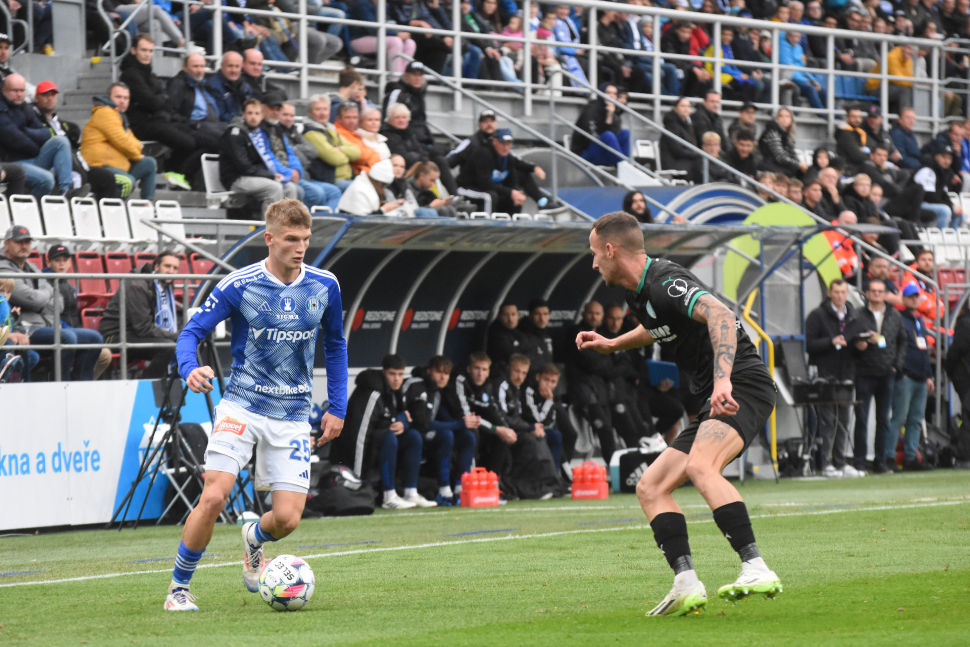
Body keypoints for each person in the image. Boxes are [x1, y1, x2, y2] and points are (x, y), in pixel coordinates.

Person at [577, 212, 780, 616]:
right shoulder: (642, 291)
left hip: (740, 383)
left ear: (611, 249)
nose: (593, 262)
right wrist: (613, 343)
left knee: (703, 466)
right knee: (651, 487)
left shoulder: (665, 281)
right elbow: (660, 328)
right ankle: (686, 583)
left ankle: (756, 566)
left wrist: (723, 380)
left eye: (595, 253)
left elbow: (720, 315)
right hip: (715, 395)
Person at [163, 199, 347, 611]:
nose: (300, 248)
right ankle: (178, 588)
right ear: (269, 239)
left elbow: (335, 344)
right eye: (290, 239)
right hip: (242, 407)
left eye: (305, 239)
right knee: (214, 496)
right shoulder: (238, 285)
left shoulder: (325, 285)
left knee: (287, 519)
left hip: (295, 413)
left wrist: (338, 406)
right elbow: (190, 333)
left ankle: (254, 538)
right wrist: (191, 367)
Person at [332, 354, 435, 509]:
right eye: (392, 374)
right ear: (384, 372)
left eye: (400, 374)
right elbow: (359, 436)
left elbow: (398, 419)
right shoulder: (372, 393)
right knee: (389, 437)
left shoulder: (395, 392)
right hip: (348, 452)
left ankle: (410, 492)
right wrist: (358, 480)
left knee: (413, 437)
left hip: (375, 445)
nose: (396, 379)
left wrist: (403, 424)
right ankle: (389, 496)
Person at [0, 227, 102, 381]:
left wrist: (41, 299)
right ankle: (59, 385)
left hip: (45, 325)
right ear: (6, 244)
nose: (24, 246)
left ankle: (80, 386)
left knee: (94, 338)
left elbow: (57, 301)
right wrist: (45, 296)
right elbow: (30, 298)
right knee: (66, 337)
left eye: (27, 242)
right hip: (25, 328)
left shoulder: (32, 267)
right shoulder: (3, 268)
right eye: (19, 242)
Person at [805, 279, 867, 478]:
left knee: (843, 419)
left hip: (847, 373)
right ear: (830, 293)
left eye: (843, 292)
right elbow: (810, 344)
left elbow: (857, 347)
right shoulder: (817, 315)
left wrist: (861, 347)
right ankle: (825, 463)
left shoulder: (854, 316)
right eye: (836, 292)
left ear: (847, 293)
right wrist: (830, 342)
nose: (840, 296)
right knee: (828, 420)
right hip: (826, 374)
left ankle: (841, 462)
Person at [402, 355, 477, 506]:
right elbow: (424, 423)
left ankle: (460, 488)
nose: (443, 377)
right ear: (429, 372)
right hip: (408, 433)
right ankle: (443, 489)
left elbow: (442, 416)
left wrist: (465, 422)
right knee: (446, 435)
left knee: (467, 436)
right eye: (439, 372)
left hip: (424, 435)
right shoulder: (419, 385)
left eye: (447, 373)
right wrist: (459, 423)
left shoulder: (437, 391)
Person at [853, 279, 907, 475]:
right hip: (864, 372)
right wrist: (858, 347)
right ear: (867, 293)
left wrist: (897, 366)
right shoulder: (858, 314)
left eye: (880, 291)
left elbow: (902, 341)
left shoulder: (894, 315)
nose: (876, 294)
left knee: (883, 420)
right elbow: (850, 338)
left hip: (886, 373)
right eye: (873, 291)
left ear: (885, 294)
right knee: (861, 419)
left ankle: (880, 461)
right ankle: (859, 461)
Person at [99, 250, 181, 378]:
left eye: (175, 268)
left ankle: (175, 386)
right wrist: (176, 336)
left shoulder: (164, 287)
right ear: (157, 267)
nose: (171, 271)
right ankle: (148, 389)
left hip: (134, 333)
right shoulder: (138, 284)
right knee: (168, 347)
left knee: (187, 343)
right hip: (115, 335)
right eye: (167, 266)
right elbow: (143, 327)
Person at [884, 283, 936, 472]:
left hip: (921, 377)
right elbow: (896, 346)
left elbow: (923, 350)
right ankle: (888, 456)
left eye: (916, 296)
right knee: (898, 418)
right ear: (903, 299)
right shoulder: (898, 318)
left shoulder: (919, 320)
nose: (914, 299)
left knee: (915, 419)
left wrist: (929, 375)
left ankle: (911, 457)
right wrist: (900, 370)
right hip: (906, 376)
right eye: (911, 296)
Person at [0, 73, 77, 198]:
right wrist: (36, 147)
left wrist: (24, 131)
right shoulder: (1, 109)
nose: (19, 94)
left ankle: (67, 190)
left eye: (22, 90)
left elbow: (45, 133)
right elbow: (15, 140)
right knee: (47, 179)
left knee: (60, 141)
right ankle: (31, 210)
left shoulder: (25, 108)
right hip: (13, 163)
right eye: (15, 91)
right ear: (4, 91)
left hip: (32, 158)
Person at [219, 99, 300, 216]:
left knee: (290, 188)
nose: (253, 117)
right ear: (244, 115)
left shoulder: (260, 133)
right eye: (250, 113)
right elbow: (243, 166)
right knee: (274, 188)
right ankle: (268, 231)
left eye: (257, 113)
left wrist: (277, 174)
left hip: (255, 176)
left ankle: (287, 227)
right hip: (236, 178)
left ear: (262, 116)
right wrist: (271, 176)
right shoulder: (235, 132)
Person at [43, 245, 112, 380]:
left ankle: (80, 383)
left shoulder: (68, 284)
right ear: (48, 263)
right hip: (56, 332)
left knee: (104, 355)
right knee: (94, 344)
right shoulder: (44, 282)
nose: (62, 264)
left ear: (70, 262)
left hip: (71, 331)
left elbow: (73, 315)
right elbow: (50, 316)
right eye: (57, 260)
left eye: (65, 260)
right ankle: (75, 384)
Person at [80, 82, 158, 200]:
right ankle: (107, 208)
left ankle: (147, 206)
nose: (122, 101)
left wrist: (133, 149)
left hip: (118, 167)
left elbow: (136, 144)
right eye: (118, 97)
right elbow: (123, 142)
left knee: (149, 163)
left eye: (126, 98)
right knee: (128, 181)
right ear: (108, 97)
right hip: (101, 167)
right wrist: (136, 155)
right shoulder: (105, 112)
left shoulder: (120, 119)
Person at [381, 102, 460, 195]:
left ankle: (455, 195)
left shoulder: (409, 133)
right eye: (397, 117)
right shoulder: (387, 135)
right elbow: (404, 157)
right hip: (403, 167)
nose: (401, 120)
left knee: (440, 160)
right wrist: (422, 158)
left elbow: (420, 149)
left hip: (415, 163)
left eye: (404, 117)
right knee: (426, 169)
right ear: (389, 119)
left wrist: (424, 156)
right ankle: (429, 198)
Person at [455, 129, 541, 214]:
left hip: (487, 190)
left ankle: (511, 226)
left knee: (513, 198)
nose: (506, 147)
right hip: (466, 188)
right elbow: (485, 183)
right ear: (495, 141)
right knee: (489, 196)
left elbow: (512, 181)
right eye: (503, 143)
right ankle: (487, 225)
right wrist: (511, 192)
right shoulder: (483, 154)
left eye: (509, 143)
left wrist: (515, 194)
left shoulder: (508, 158)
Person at [278, 102, 342, 213]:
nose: (289, 118)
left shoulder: (294, 131)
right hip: (292, 176)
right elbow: (333, 158)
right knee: (316, 193)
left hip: (305, 176)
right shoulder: (277, 132)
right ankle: (309, 223)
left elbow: (313, 152)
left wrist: (295, 148)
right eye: (285, 115)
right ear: (277, 114)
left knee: (334, 192)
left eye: (291, 116)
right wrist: (299, 153)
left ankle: (325, 223)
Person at [302, 94, 360, 191]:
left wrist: (340, 149)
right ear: (310, 112)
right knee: (362, 190)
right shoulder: (311, 133)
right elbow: (335, 158)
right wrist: (348, 157)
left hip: (347, 178)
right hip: (330, 180)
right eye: (318, 109)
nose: (322, 113)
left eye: (325, 109)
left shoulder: (331, 129)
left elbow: (357, 152)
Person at [348, 0, 416, 76]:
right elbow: (372, 28)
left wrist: (400, 33)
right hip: (358, 40)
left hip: (380, 38)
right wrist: (396, 34)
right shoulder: (362, 3)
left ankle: (403, 78)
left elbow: (389, 22)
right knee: (395, 41)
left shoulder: (384, 4)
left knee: (410, 43)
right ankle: (395, 79)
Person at [570, 84, 631, 166]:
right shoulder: (591, 110)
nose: (611, 96)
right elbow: (590, 137)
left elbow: (615, 139)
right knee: (608, 135)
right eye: (608, 92)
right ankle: (627, 167)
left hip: (604, 152)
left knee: (626, 133)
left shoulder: (613, 112)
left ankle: (627, 165)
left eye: (615, 94)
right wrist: (606, 137)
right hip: (586, 153)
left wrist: (609, 116)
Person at [521, 363, 567, 472]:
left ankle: (555, 475)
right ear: (538, 377)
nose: (549, 385)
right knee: (542, 437)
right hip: (527, 428)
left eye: (553, 382)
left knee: (556, 435)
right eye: (546, 379)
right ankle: (542, 477)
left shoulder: (551, 395)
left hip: (541, 429)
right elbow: (536, 419)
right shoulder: (529, 390)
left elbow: (551, 422)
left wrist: (548, 401)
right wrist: (547, 402)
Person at [914, 143, 963, 228]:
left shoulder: (943, 172)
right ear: (936, 156)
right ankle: (940, 237)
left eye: (949, 158)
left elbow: (944, 194)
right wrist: (951, 207)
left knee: (958, 213)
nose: (947, 161)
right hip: (917, 203)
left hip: (930, 203)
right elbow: (929, 196)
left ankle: (951, 238)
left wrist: (953, 206)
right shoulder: (927, 170)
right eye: (944, 157)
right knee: (945, 210)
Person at [779, 29, 826, 109]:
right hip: (790, 78)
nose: (795, 39)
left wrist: (812, 80)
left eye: (798, 37)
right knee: (810, 89)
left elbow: (802, 68)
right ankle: (822, 114)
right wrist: (805, 81)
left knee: (822, 91)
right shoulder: (781, 47)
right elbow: (789, 68)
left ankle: (836, 116)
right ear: (787, 36)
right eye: (793, 36)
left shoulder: (798, 48)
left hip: (801, 78)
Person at [332, 101, 379, 177]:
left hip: (368, 171)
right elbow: (360, 155)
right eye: (348, 117)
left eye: (355, 117)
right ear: (339, 119)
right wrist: (370, 154)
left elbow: (371, 153)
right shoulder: (337, 132)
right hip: (356, 174)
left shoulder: (354, 132)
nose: (352, 121)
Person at [758, 107, 807, 178]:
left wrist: (800, 164)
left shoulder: (789, 134)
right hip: (768, 164)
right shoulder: (773, 132)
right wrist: (799, 164)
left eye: (787, 116)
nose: (784, 119)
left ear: (791, 120)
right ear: (776, 118)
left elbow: (792, 153)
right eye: (781, 116)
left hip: (779, 165)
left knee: (805, 171)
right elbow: (780, 157)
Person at [206, 51, 253, 123]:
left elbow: (252, 107)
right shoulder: (213, 85)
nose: (233, 70)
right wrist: (243, 121)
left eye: (237, 66)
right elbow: (220, 115)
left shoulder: (244, 85)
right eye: (230, 66)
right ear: (222, 66)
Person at [866, 44, 914, 113]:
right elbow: (897, 79)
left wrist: (911, 82)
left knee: (909, 89)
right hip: (875, 87)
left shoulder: (908, 60)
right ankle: (905, 117)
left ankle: (905, 117)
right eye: (909, 48)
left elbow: (909, 77)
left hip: (890, 86)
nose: (911, 52)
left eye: (912, 50)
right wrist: (911, 82)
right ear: (902, 47)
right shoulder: (891, 57)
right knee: (904, 91)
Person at [659, 97, 700, 179]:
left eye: (688, 106)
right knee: (700, 164)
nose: (686, 109)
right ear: (675, 108)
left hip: (684, 160)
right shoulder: (671, 125)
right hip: (673, 162)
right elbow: (677, 150)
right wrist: (697, 154)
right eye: (682, 106)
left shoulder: (687, 125)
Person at [835, 107, 872, 177]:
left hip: (859, 166)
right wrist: (869, 155)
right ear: (847, 118)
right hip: (848, 169)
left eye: (859, 117)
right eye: (854, 117)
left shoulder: (860, 132)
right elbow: (857, 155)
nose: (857, 120)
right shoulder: (845, 133)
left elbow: (871, 147)